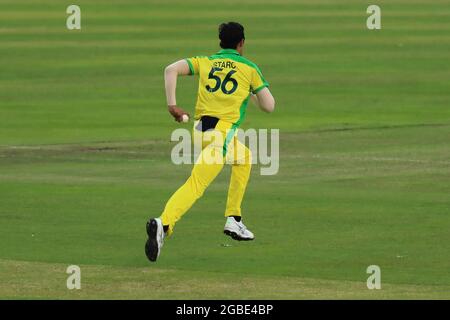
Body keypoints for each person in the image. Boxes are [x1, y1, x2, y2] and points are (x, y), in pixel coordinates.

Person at [145, 22, 275, 262]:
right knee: (196, 185)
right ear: (242, 43)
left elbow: (170, 69)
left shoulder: (206, 61)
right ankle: (163, 225)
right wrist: (250, 93)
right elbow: (269, 106)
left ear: (220, 43)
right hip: (221, 136)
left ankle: (234, 219)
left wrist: (172, 105)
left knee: (244, 157)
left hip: (201, 129)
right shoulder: (249, 68)